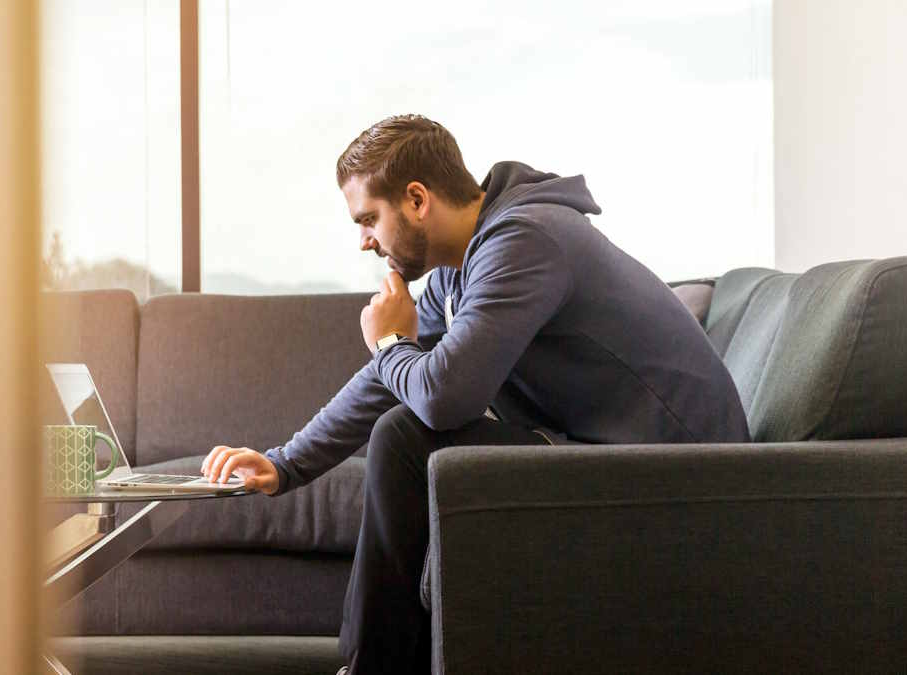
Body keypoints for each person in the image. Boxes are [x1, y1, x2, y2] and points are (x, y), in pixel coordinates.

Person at [200, 114, 750, 674]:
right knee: (401, 428)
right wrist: (284, 464)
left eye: (369, 219)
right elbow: (383, 386)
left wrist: (391, 341)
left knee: (409, 437)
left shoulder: (525, 241)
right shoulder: (463, 270)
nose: (364, 240)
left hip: (682, 479)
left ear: (417, 199)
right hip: (604, 453)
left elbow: (443, 398)